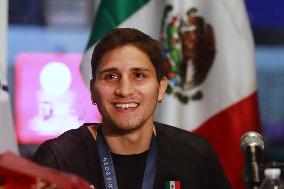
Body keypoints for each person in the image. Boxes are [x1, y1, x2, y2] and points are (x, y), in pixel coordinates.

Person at [33, 28, 231, 189]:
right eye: (111, 76)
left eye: (138, 75)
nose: (124, 90)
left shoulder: (195, 156)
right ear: (93, 91)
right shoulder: (58, 159)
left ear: (161, 88)